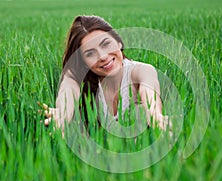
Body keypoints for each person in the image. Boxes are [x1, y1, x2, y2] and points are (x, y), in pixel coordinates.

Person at [42, 15, 170, 137]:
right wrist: (63, 115)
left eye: (105, 44)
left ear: (119, 42)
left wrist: (155, 117)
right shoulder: (77, 77)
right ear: (83, 62)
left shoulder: (142, 70)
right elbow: (67, 91)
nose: (103, 56)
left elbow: (149, 95)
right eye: (90, 53)